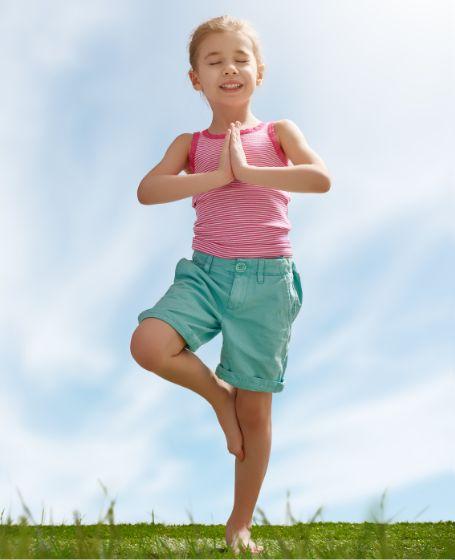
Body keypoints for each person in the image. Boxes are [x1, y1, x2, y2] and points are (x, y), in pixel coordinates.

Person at [129, 14, 331, 555]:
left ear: (258, 71)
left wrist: (250, 171)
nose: (229, 68)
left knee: (257, 411)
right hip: (207, 273)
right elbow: (149, 191)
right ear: (195, 78)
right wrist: (218, 176)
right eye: (213, 61)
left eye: (240, 58)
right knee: (149, 344)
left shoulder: (278, 133)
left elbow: (320, 178)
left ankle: (239, 524)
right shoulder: (191, 143)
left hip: (267, 282)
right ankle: (219, 399)